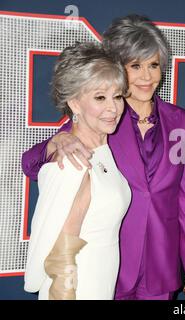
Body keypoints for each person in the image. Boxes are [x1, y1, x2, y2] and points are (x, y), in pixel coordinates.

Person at [22, 15, 185, 300]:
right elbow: (31, 164)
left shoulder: (182, 122)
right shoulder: (104, 118)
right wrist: (56, 142)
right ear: (118, 69)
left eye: (153, 65)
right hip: (111, 271)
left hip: (161, 270)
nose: (146, 77)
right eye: (135, 66)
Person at [24, 42, 131, 299]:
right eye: (100, 97)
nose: (113, 108)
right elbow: (61, 257)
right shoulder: (74, 162)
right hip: (77, 288)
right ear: (74, 103)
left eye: (117, 96)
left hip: (100, 282)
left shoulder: (102, 150)